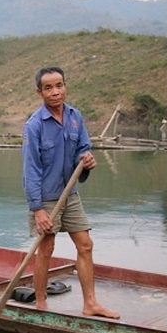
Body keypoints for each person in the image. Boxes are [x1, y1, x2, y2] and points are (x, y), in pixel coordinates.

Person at [22, 66, 120, 319]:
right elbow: (30, 170)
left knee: (85, 245)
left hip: (71, 193)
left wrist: (86, 160)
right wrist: (38, 209)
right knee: (46, 248)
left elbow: (83, 148)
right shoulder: (34, 126)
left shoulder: (75, 116)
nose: (56, 92)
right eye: (49, 88)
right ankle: (41, 303)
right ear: (39, 92)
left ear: (65, 86)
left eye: (59, 85)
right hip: (46, 197)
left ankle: (90, 304)